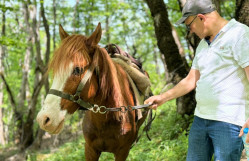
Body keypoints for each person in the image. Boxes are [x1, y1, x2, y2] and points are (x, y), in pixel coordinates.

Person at [144, 0, 249, 160]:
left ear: (201, 17)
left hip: (229, 122)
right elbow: (191, 80)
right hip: (201, 119)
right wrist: (163, 97)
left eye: (189, 25)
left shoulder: (239, 34)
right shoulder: (203, 45)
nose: (190, 31)